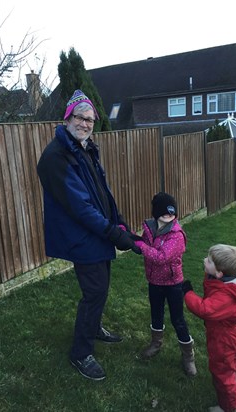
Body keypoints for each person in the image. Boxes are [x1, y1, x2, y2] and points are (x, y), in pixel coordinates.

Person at [37, 89, 140, 381]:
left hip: (97, 230)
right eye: (80, 118)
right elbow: (79, 206)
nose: (85, 123)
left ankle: (93, 328)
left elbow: (100, 193)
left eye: (90, 120)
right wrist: (111, 231)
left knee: (101, 288)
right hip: (80, 234)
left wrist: (117, 222)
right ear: (68, 118)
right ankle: (80, 353)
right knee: (94, 291)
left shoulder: (84, 147)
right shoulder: (56, 156)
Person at [134, 191, 197, 377]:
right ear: (156, 213)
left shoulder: (176, 235)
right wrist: (128, 236)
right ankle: (156, 344)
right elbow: (143, 246)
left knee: (178, 319)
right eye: (164, 212)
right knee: (156, 314)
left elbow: (161, 257)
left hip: (173, 284)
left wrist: (142, 247)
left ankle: (188, 356)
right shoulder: (150, 229)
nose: (169, 216)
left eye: (172, 212)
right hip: (154, 282)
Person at [182, 244, 236, 412]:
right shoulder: (227, 279)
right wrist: (210, 271)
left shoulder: (225, 298)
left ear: (220, 273)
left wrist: (188, 293)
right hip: (228, 333)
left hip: (224, 339)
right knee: (229, 362)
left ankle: (228, 407)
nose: (204, 260)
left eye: (208, 261)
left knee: (221, 371)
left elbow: (205, 309)